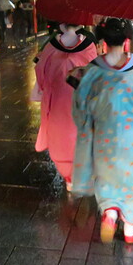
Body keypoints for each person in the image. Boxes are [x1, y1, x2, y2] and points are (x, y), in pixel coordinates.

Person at [72, 18, 133, 245]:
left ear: (103, 40)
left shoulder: (94, 69)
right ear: (127, 40)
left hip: (105, 140)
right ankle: (130, 229)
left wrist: (88, 125)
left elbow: (80, 106)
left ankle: (111, 212)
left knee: (107, 182)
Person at [34, 22, 97, 191]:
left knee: (60, 140)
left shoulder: (50, 47)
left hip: (56, 102)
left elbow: (41, 70)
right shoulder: (89, 46)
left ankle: (68, 178)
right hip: (80, 102)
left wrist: (43, 86)